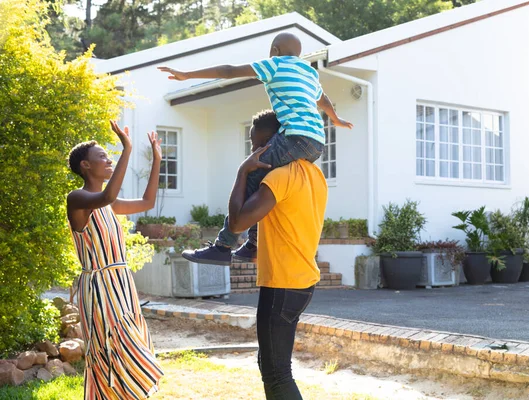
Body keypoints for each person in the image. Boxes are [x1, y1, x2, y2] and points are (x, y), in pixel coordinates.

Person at [158, 32, 351, 264]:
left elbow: (228, 71)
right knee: (265, 181)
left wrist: (187, 75)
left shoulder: (275, 64)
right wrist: (336, 119)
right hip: (316, 143)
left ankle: (222, 246)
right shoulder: (308, 72)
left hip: (294, 138)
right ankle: (253, 244)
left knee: (251, 173)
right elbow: (324, 100)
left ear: (275, 50)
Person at [227, 110, 327, 399]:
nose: (254, 153)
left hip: (282, 283)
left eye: (256, 146)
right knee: (270, 365)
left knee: (277, 373)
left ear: (275, 142)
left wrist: (243, 171)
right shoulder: (314, 174)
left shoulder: (279, 177)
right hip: (301, 280)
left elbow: (237, 223)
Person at [66, 121, 164, 399]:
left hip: (121, 285)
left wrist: (157, 159)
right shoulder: (77, 199)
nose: (108, 160)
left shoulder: (107, 204)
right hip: (99, 288)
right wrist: (127, 148)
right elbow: (108, 194)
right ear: (85, 165)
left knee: (130, 344)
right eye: (102, 157)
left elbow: (147, 202)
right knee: (112, 350)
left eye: (110, 156)